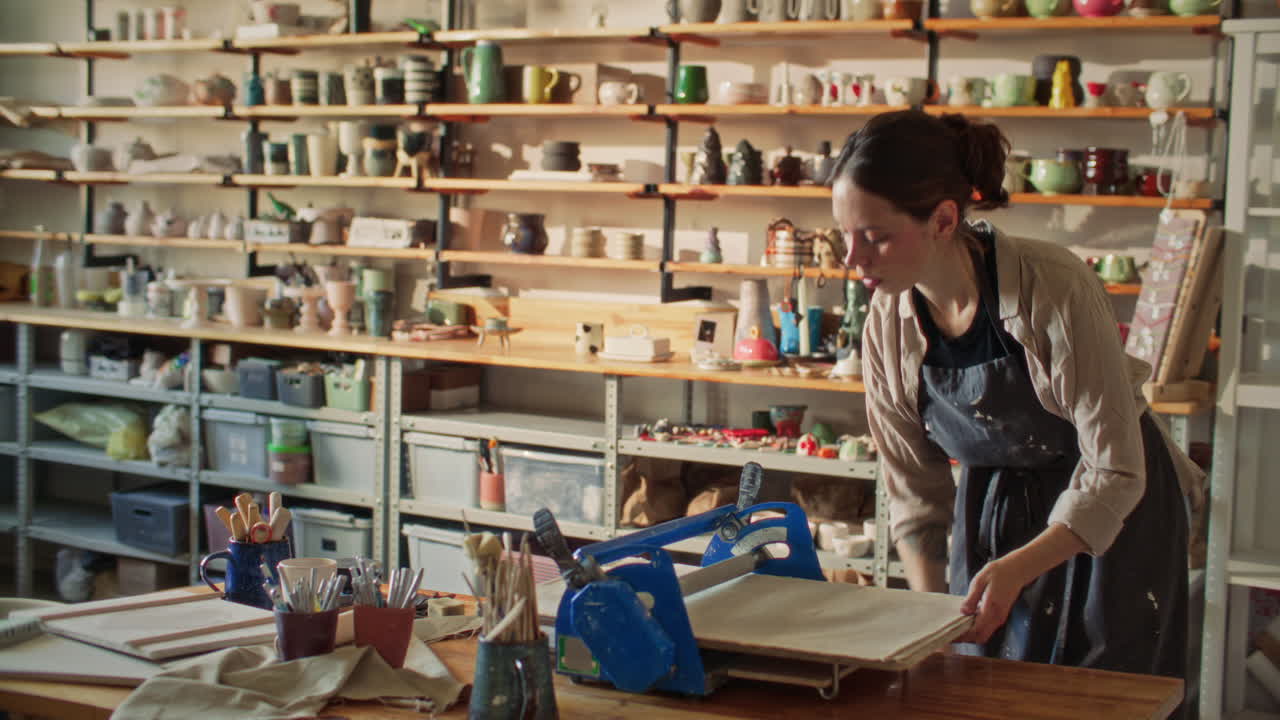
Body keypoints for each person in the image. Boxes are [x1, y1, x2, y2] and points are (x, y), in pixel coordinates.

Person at [829, 109, 1202, 683]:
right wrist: (933, 622)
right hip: (996, 513)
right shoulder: (887, 322)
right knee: (975, 687)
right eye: (844, 236)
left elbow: (1117, 469)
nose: (852, 260)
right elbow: (915, 493)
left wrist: (1020, 568)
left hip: (1113, 517)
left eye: (875, 237)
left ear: (944, 219)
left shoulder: (1053, 286)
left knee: (1099, 696)